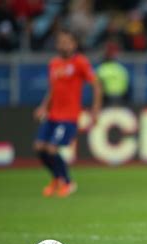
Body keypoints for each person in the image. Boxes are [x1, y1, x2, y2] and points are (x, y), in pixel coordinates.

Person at [33, 28, 102, 197]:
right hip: (52, 115)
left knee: (51, 149)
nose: (63, 45)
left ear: (74, 44)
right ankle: (57, 178)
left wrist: (95, 111)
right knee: (39, 147)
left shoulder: (80, 62)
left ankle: (68, 182)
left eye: (67, 42)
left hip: (69, 117)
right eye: (61, 42)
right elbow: (53, 89)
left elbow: (96, 85)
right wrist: (44, 107)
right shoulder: (54, 63)